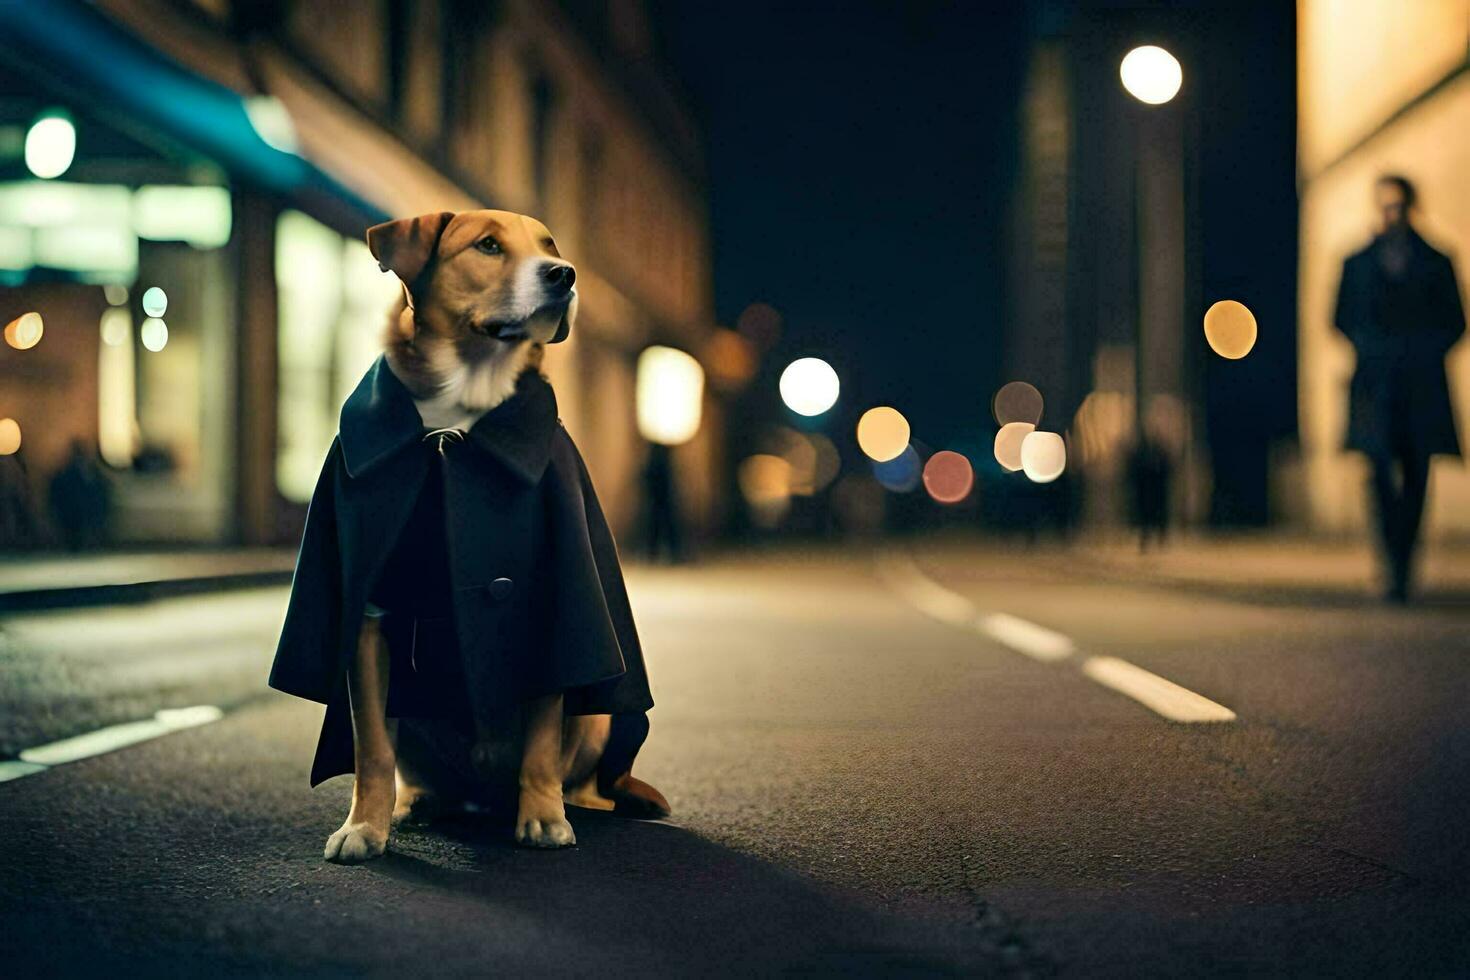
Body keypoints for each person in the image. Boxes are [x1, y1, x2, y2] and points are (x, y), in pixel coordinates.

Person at [1334, 175, 1465, 601]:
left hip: (1420, 386)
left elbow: (1456, 322)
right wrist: (1372, 348)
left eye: (1399, 206)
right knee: (1378, 474)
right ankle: (1390, 559)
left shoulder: (1436, 260)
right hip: (1376, 386)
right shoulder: (1357, 262)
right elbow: (1339, 318)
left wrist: (1421, 351)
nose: (1393, 214)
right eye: (1386, 206)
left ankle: (1404, 564)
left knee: (1416, 474)